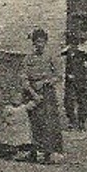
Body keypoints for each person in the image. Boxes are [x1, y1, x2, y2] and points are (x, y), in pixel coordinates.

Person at [22, 28, 62, 163]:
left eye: (42, 42)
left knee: (48, 123)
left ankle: (48, 153)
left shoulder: (51, 57)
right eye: (37, 42)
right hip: (31, 93)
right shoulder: (28, 58)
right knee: (33, 123)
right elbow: (24, 78)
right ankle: (34, 151)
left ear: (46, 42)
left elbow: (58, 76)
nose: (39, 44)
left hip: (47, 93)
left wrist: (47, 82)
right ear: (33, 43)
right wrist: (33, 93)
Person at [61, 32, 87, 130]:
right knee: (69, 101)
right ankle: (72, 120)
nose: (74, 44)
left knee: (82, 100)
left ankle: (81, 121)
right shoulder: (67, 52)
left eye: (76, 42)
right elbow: (59, 60)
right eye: (72, 42)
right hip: (70, 80)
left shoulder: (83, 53)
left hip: (81, 79)